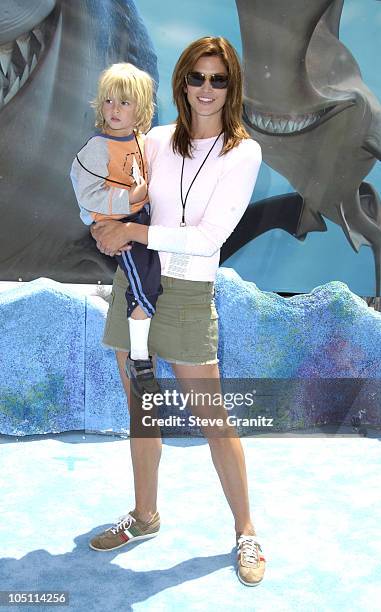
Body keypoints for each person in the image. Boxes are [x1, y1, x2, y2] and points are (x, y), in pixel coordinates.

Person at [89, 37, 265, 587]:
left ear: (232, 86)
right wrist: (105, 225)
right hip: (136, 290)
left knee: (213, 420)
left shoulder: (244, 152)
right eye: (196, 77)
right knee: (142, 411)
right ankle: (145, 516)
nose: (206, 89)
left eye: (218, 79)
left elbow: (209, 236)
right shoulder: (157, 140)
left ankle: (246, 531)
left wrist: (132, 230)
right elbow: (126, 198)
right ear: (181, 83)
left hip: (188, 298)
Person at [70, 63, 162, 397]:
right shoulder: (98, 147)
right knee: (145, 286)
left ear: (141, 107)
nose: (114, 109)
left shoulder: (144, 142)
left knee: (153, 281)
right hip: (122, 226)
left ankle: (142, 349)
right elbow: (88, 195)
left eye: (124, 102)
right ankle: (139, 358)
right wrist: (128, 203)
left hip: (145, 223)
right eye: (108, 101)